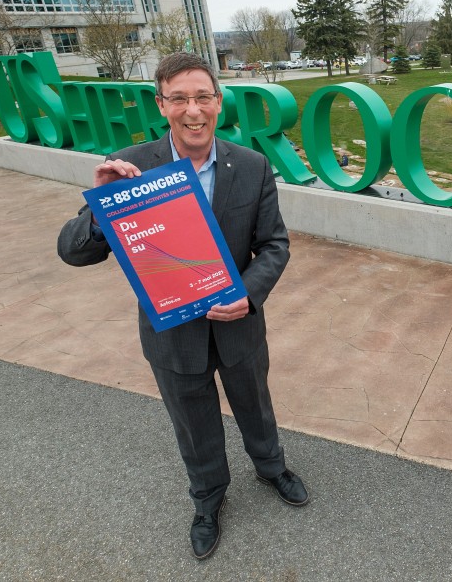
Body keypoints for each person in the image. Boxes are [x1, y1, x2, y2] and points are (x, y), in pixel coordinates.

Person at [57, 52, 307, 560]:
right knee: (193, 424)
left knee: (256, 406)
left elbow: (274, 245)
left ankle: (271, 467)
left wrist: (248, 292)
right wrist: (103, 209)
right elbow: (73, 252)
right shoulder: (131, 165)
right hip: (172, 334)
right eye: (179, 99)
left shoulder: (253, 165)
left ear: (218, 102)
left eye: (202, 98)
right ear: (161, 104)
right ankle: (208, 499)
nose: (193, 110)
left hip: (238, 325)